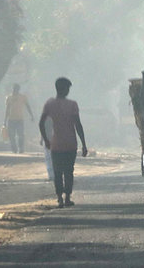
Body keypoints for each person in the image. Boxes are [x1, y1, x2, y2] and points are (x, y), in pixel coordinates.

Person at [39, 77, 88, 208]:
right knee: (68, 171)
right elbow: (78, 125)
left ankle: (59, 198)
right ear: (65, 89)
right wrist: (84, 144)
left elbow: (41, 123)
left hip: (56, 144)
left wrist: (46, 140)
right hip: (70, 144)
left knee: (57, 172)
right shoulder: (72, 105)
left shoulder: (49, 104)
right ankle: (67, 198)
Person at [4, 84, 35, 154]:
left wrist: (31, 115)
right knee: (11, 136)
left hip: (20, 119)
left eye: (16, 89)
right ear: (12, 89)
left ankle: (21, 148)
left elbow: (28, 106)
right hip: (11, 119)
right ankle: (14, 149)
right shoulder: (9, 97)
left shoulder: (22, 97)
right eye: (14, 89)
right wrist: (4, 121)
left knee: (21, 135)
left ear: (18, 89)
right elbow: (7, 109)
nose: (15, 90)